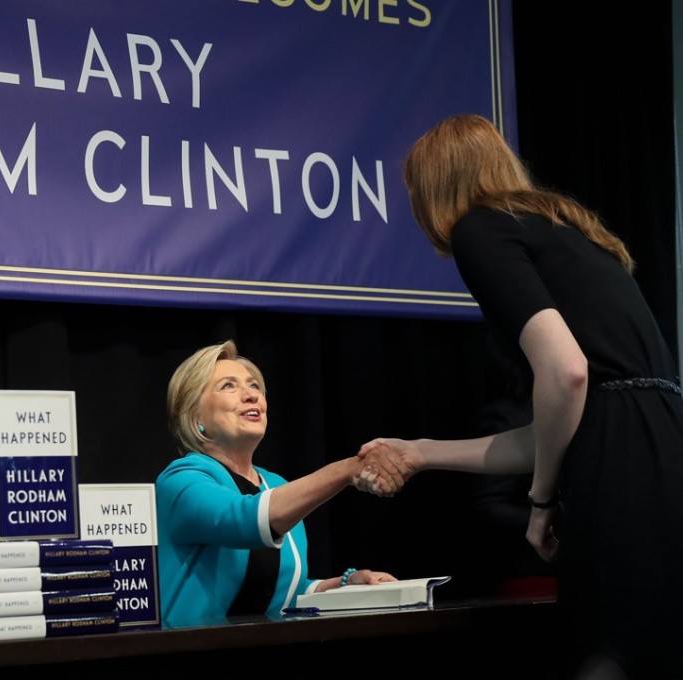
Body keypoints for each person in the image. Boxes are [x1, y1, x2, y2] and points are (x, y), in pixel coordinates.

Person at [356, 114, 683, 679]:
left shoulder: (479, 230)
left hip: (619, 472)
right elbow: (572, 415)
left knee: (610, 651)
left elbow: (566, 374)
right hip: (666, 446)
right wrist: (422, 451)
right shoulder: (573, 235)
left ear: (434, 187)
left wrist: (540, 501)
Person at [156, 340, 398, 628]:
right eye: (229, 386)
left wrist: (347, 583)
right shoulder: (180, 481)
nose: (250, 396)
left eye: (254, 386)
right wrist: (346, 470)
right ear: (196, 418)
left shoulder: (276, 486)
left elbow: (285, 596)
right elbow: (243, 519)